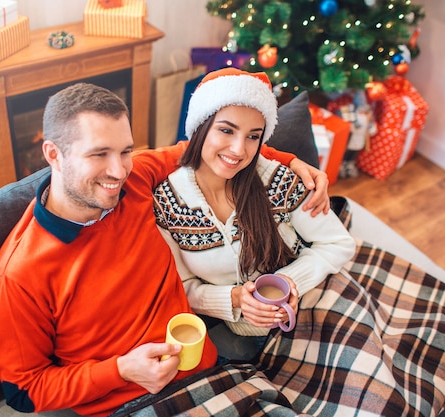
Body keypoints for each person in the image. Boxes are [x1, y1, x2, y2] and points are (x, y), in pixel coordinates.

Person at [0, 82, 330, 417]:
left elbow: (212, 146)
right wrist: (120, 370)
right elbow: (24, 390)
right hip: (130, 405)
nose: (118, 171)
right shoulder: (18, 277)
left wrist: (288, 160)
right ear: (53, 155)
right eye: (99, 154)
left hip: (210, 372)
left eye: (125, 151)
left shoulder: (135, 181)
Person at [153, 68, 356, 361]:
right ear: (200, 127)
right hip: (238, 336)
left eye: (253, 136)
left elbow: (338, 243)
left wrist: (288, 283)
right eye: (226, 130)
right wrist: (235, 300)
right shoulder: (167, 204)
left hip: (317, 300)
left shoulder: (279, 180)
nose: (239, 150)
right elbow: (183, 288)